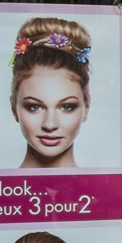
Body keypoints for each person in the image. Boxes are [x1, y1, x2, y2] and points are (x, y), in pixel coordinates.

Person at [8, 17, 94, 168]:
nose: (50, 124)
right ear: (14, 107)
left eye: (67, 107)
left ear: (86, 107)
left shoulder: (107, 188)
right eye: (34, 107)